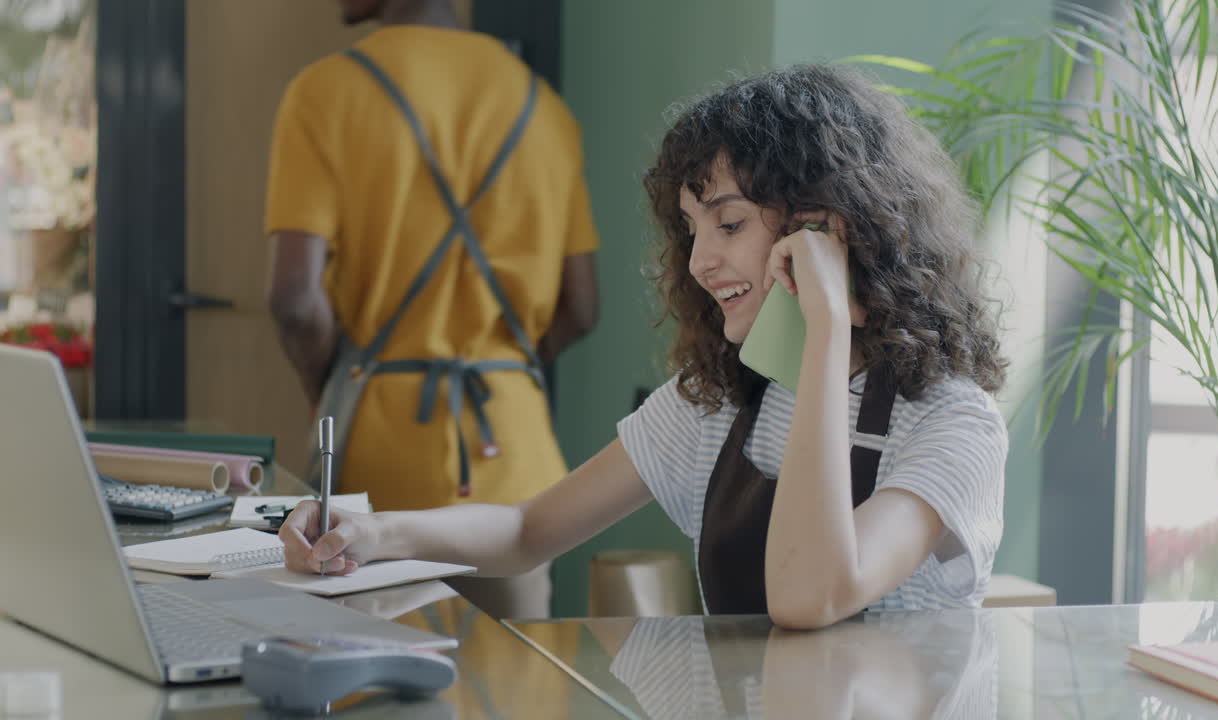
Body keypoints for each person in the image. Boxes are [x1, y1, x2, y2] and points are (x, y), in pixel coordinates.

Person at [281, 63, 1009, 629]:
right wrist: (373, 531)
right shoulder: (722, 404)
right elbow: (527, 528)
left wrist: (824, 330)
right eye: (691, 231)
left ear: (830, 230)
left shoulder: (953, 424)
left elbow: (812, 593)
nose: (698, 263)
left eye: (727, 225)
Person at [264, 0, 600, 620]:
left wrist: (329, 391)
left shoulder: (326, 92)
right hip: (517, 472)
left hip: (380, 456)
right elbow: (580, 308)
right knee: (516, 694)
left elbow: (294, 302)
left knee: (375, 691)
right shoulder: (541, 106)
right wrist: (499, 363)